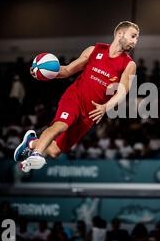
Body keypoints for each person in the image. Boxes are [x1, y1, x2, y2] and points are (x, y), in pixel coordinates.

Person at [14, 21, 140, 171]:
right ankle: (36, 154)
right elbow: (67, 70)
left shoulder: (129, 65)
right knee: (61, 125)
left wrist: (106, 107)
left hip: (90, 114)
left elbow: (122, 91)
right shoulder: (95, 50)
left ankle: (31, 143)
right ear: (120, 34)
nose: (135, 41)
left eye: (137, 38)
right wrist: (44, 73)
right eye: (133, 36)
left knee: (55, 152)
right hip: (75, 97)